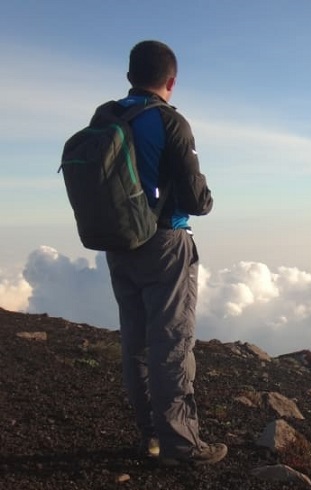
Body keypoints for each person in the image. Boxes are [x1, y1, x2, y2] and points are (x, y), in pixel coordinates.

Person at [105, 40, 226, 466]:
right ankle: (181, 447)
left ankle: (151, 437)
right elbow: (197, 200)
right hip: (165, 245)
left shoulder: (107, 117)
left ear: (129, 78)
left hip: (118, 245)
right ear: (171, 81)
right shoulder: (170, 123)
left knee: (135, 344)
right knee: (171, 344)